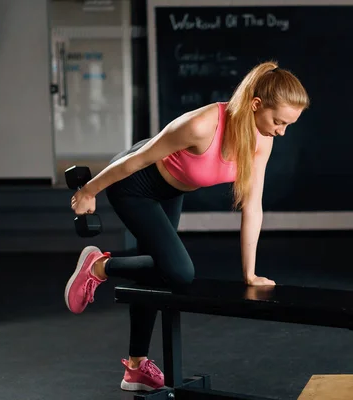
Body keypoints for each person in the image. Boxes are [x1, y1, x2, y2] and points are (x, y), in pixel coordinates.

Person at [64, 61, 310, 392]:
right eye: (279, 121)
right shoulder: (201, 125)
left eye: (287, 125)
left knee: (157, 273)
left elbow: (253, 205)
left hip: (171, 190)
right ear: (256, 105)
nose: (281, 131)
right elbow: (137, 159)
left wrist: (250, 274)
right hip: (135, 185)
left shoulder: (261, 140)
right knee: (180, 272)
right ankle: (100, 266)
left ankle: (135, 368)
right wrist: (88, 190)